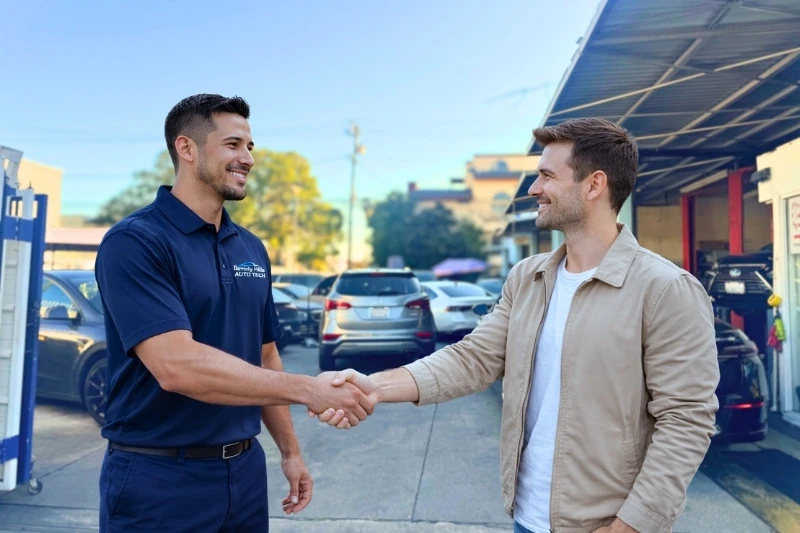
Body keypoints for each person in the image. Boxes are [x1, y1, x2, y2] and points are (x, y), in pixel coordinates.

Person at [315, 118, 720, 533]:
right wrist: (373, 387)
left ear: (594, 185)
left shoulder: (665, 289)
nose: (533, 188)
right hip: (526, 518)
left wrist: (631, 526)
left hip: (605, 524)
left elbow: (686, 420)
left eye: (546, 175)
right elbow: (474, 358)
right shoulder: (528, 277)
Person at [94, 93, 373, 533]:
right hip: (159, 477)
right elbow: (175, 366)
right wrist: (308, 390)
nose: (248, 158)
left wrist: (290, 451)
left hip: (243, 471)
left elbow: (264, 357)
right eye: (233, 145)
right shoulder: (135, 241)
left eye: (250, 147)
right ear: (187, 149)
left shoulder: (251, 248)